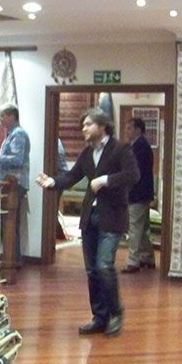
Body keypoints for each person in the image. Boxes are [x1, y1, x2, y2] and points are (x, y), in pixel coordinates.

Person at [36, 107, 139, 337]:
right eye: (83, 125)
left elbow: (133, 175)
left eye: (88, 124)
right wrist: (52, 181)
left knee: (104, 266)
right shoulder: (86, 153)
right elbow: (72, 176)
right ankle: (99, 317)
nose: (84, 128)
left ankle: (115, 313)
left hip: (112, 216)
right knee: (92, 270)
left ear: (102, 126)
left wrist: (105, 180)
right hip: (89, 217)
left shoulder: (121, 149)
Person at [0, 104, 30, 264]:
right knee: (9, 223)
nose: (0, 120)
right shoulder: (11, 134)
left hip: (14, 185)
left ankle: (11, 261)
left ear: (11, 116)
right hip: (7, 183)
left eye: (2, 116)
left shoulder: (18, 134)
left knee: (8, 223)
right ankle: (14, 259)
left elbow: (17, 160)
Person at [122, 117, 156, 272]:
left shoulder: (140, 146)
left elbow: (135, 172)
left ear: (138, 129)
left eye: (129, 128)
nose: (126, 131)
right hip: (143, 192)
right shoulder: (140, 145)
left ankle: (133, 261)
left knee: (135, 227)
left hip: (138, 193)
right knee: (142, 228)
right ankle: (147, 257)